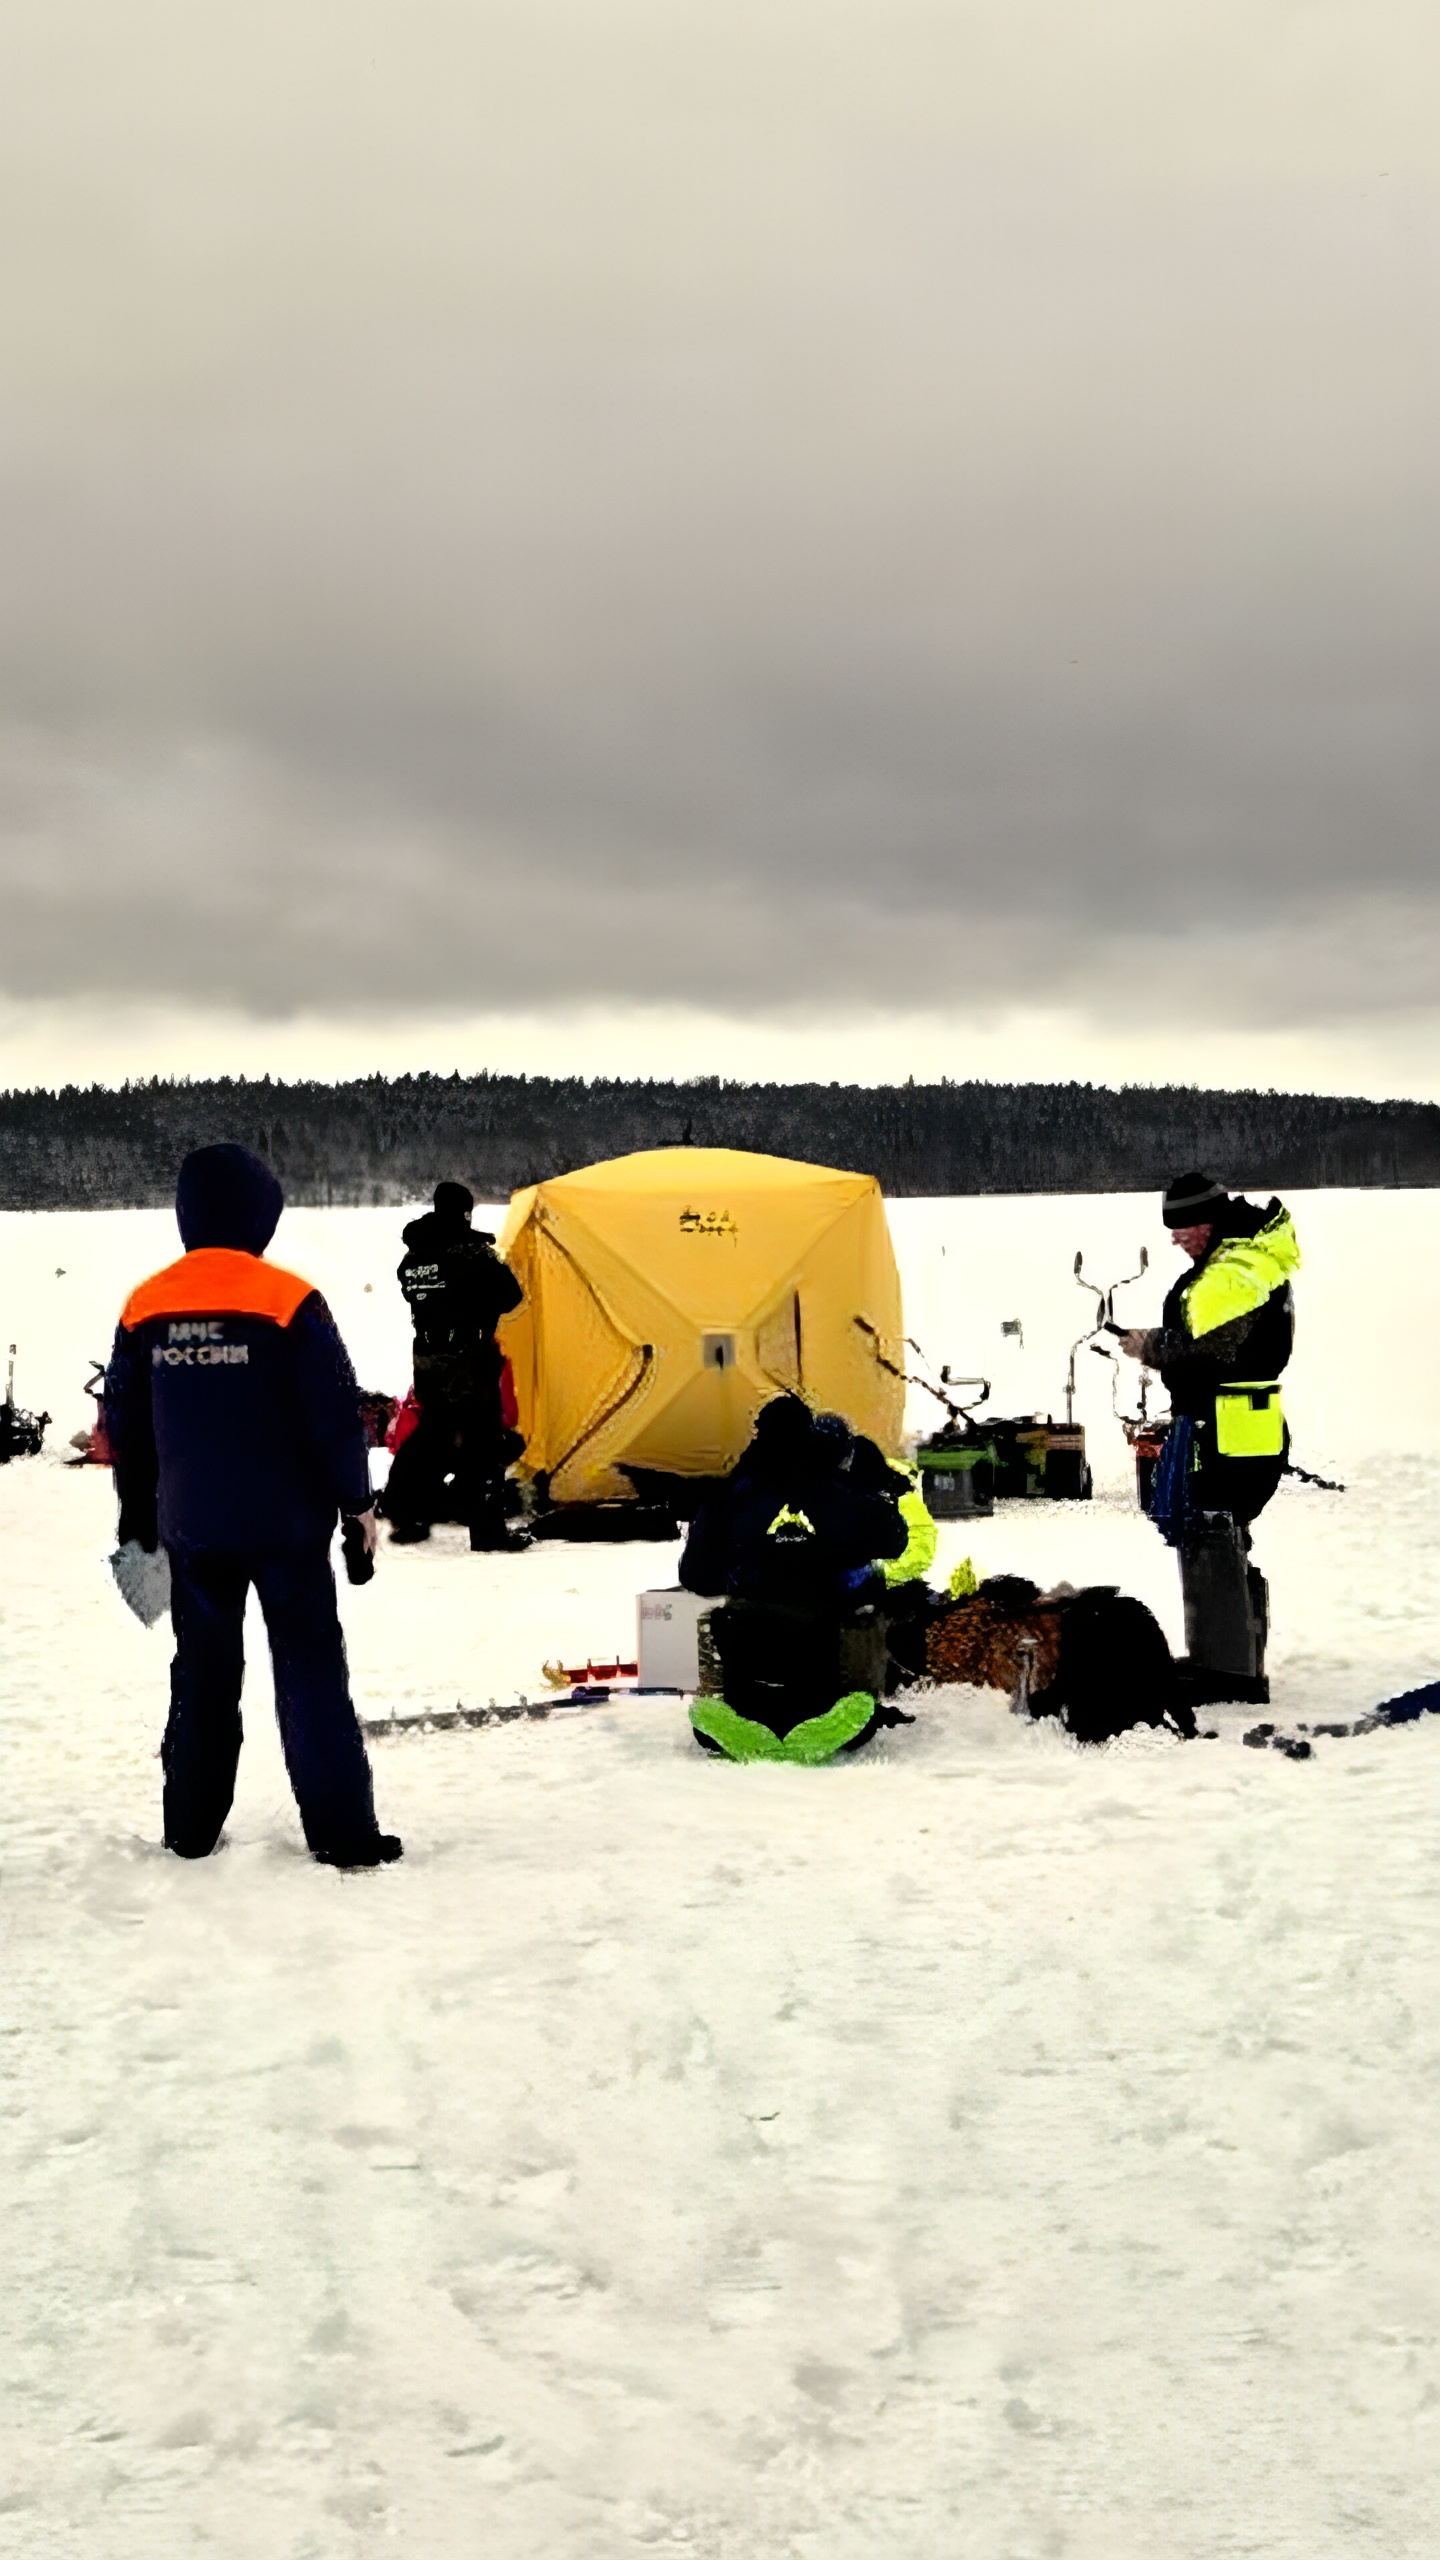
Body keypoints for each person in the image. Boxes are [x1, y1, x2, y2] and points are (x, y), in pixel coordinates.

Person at [104, 1143, 400, 1868]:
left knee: (202, 1673)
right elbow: (333, 1419)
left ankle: (191, 1828)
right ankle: (342, 1834)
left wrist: (136, 1518)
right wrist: (357, 1508)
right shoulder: (288, 1300)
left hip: (192, 1529)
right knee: (309, 1672)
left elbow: (127, 1429)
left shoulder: (147, 1305)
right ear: (261, 1213)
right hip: (286, 1530)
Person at [1118, 1170, 1300, 1701]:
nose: (1176, 1239)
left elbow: (1211, 1352)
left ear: (1211, 1221)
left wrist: (1151, 1346)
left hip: (1227, 1429)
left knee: (1211, 1534)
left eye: (1184, 1227)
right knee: (1223, 1535)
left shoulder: (1232, 1274)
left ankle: (1227, 1675)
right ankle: (1231, 1658)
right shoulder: (1245, 1261)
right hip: (1241, 1425)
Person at [678, 1396, 907, 1760]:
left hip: (745, 1634)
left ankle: (734, 1721)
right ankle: (845, 1718)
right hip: (825, 1633)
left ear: (757, 1434)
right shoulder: (840, 1491)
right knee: (868, 1604)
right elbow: (894, 1541)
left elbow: (696, 1577)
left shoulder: (728, 1495)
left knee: (732, 1637)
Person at [380, 1181, 525, 1551]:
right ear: (464, 1213)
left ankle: (402, 1506)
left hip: (427, 1356)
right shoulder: (473, 1254)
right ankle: (488, 1532)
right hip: (467, 1355)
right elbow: (511, 1295)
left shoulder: (413, 1258)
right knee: (484, 1440)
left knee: (434, 1431)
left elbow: (421, 1291)